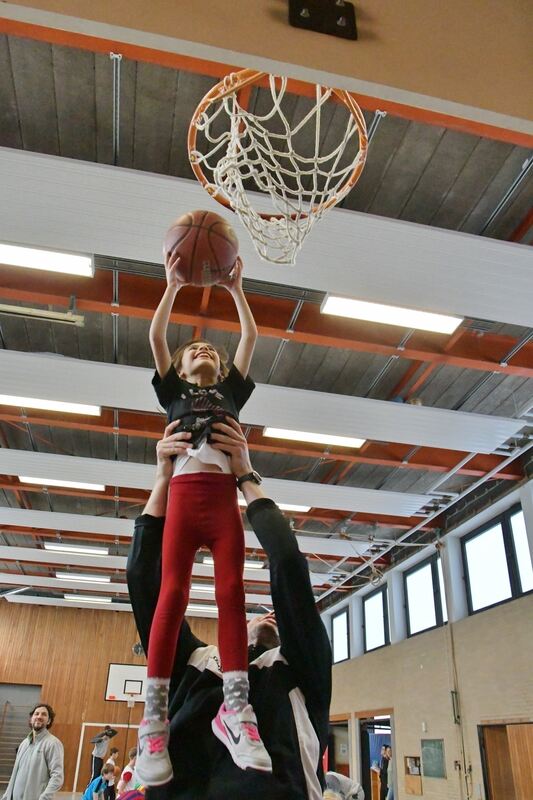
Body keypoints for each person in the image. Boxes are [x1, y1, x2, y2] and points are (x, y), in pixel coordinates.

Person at [127, 417, 332, 799]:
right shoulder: (197, 660)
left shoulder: (300, 666)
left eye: (275, 617)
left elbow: (288, 564)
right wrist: (162, 478)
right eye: (262, 615)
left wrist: (245, 476)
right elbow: (144, 581)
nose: (270, 616)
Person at [136, 249, 266, 787]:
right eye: (197, 350)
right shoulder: (176, 392)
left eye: (211, 348)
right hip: (184, 501)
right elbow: (156, 339)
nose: (205, 351)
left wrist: (237, 290)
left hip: (222, 503)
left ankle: (236, 709)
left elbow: (251, 340)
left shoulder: (231, 390)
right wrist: (170, 286)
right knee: (172, 595)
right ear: (183, 369)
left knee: (232, 591)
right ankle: (153, 722)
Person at [1, 703, 64, 800]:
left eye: (44, 714)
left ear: (49, 721)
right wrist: (6, 796)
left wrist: (44, 797)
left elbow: (57, 776)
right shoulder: (24, 744)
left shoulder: (53, 743)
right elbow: (15, 774)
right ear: (31, 719)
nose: (39, 716)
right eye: (36, 713)